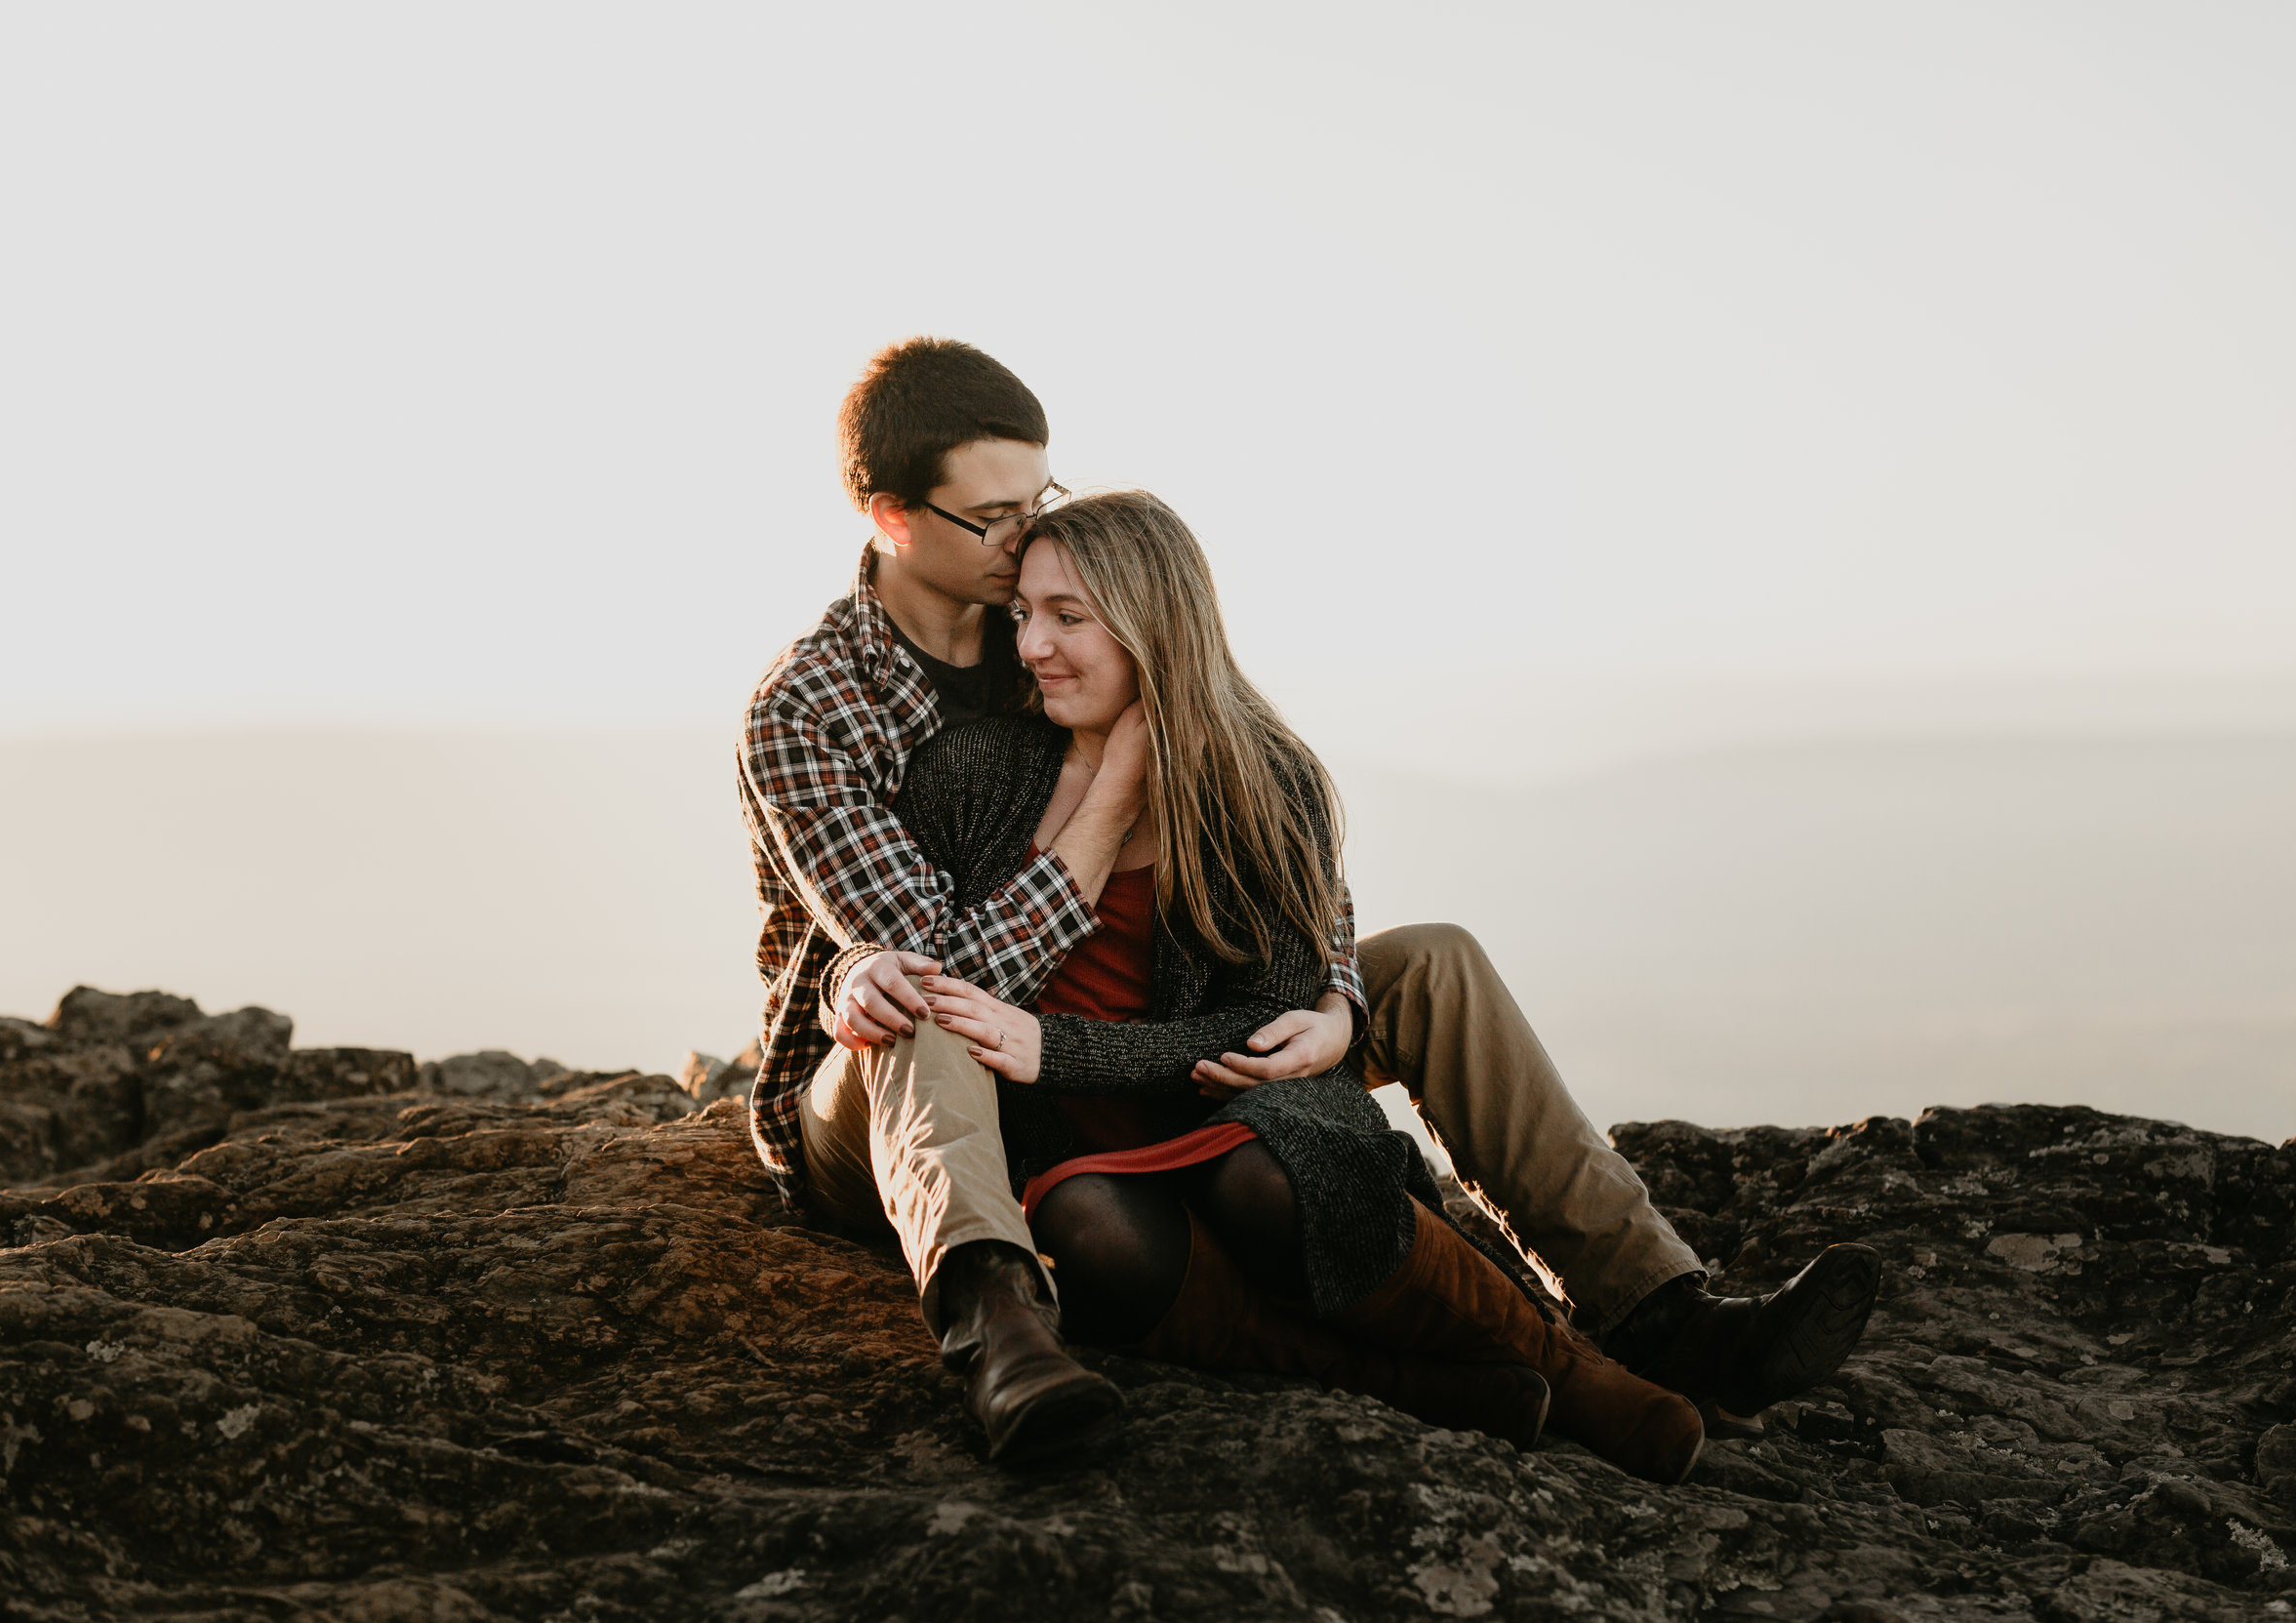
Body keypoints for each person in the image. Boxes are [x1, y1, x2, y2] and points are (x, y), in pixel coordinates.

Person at [735, 337, 1878, 1461]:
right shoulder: (814, 707)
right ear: (891, 518)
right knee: (917, 1012)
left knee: (1430, 963)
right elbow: (950, 975)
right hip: (888, 1089)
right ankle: (996, 1324)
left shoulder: (1046, 599)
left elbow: (1255, 804)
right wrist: (1106, 787)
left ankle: (1668, 1314)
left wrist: (1335, 995)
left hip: (1114, 1008)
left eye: (1042, 498)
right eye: (993, 518)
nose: (1027, 544)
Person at [831, 491, 1710, 1481]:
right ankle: (1415, 1384)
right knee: (1083, 1224)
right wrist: (860, 974)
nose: (1033, 644)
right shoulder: (973, 770)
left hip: (1216, 1108)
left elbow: (1263, 1015)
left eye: (1069, 616)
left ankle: (1571, 1366)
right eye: (1024, 614)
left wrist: (1060, 1046)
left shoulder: (1262, 776)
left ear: (1155, 620)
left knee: (1272, 1172)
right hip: (1061, 1145)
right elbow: (909, 955)